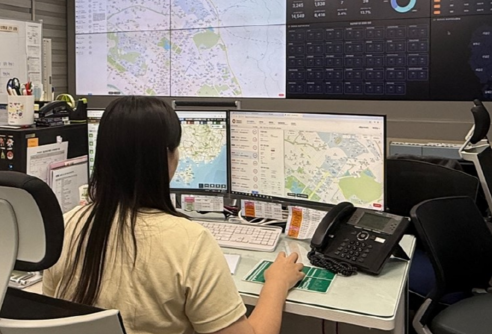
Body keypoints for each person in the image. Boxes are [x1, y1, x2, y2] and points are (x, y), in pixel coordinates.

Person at [43, 96, 305, 334]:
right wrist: (277, 283)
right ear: (166, 157)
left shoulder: (68, 225)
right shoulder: (189, 241)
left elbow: (51, 315)